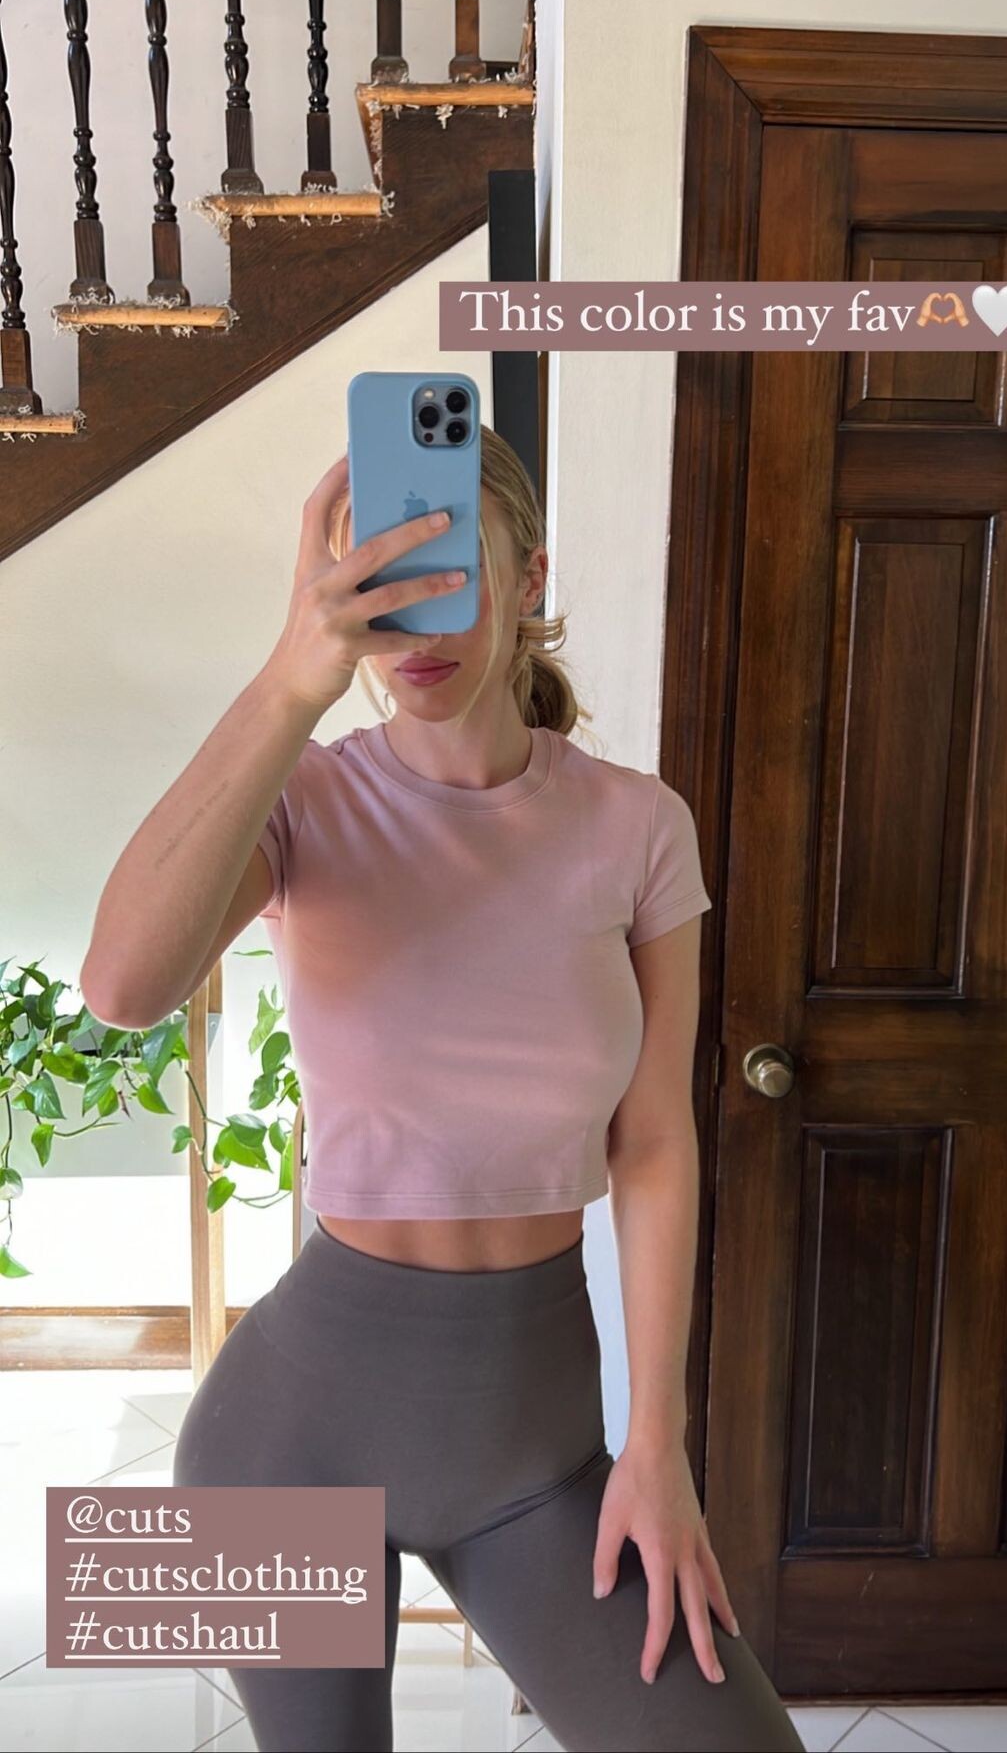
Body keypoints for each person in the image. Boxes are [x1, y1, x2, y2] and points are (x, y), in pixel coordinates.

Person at [81, 425, 804, 1753]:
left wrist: (658, 1442)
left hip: (539, 1455)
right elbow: (121, 987)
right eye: (374, 577)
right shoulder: (305, 800)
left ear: (529, 577)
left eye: (449, 567)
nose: (412, 620)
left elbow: (654, 1143)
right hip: (279, 1445)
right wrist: (289, 680)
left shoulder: (640, 826)